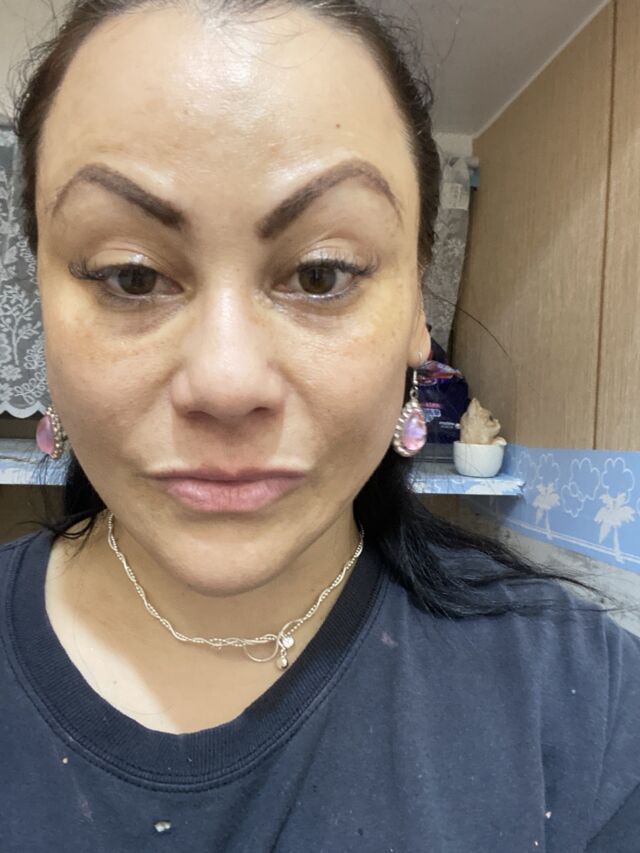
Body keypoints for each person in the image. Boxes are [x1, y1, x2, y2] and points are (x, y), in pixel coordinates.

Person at [1, 1, 639, 850]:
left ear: (416, 307)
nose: (227, 383)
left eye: (321, 273)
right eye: (131, 276)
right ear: (40, 302)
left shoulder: (587, 709)